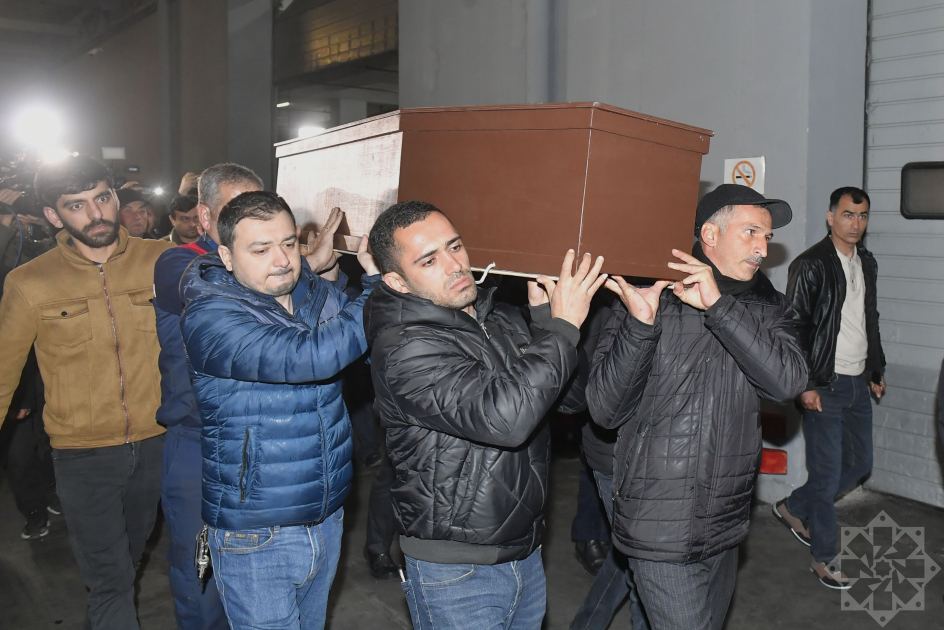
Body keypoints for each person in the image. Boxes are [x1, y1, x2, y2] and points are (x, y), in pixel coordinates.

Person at [365, 200, 606, 629]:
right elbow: (506, 420)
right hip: (456, 571)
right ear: (398, 282)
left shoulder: (498, 318)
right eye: (429, 260)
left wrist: (543, 321)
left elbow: (571, 401)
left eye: (455, 246)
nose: (454, 265)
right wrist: (562, 328)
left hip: (524, 552)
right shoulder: (404, 347)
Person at [587, 184, 808, 630]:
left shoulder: (770, 307)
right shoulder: (652, 293)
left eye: (766, 237)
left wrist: (719, 307)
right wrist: (639, 326)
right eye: (751, 232)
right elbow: (605, 410)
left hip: (725, 521)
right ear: (710, 234)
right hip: (658, 520)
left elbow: (787, 383)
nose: (763, 248)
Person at [180, 191, 380, 630]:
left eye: (289, 243)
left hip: (326, 517)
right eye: (261, 249)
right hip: (257, 531)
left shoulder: (311, 293)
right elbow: (312, 356)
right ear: (227, 257)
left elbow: (366, 351)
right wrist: (378, 290)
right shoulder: (211, 316)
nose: (282, 259)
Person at [0, 154, 172, 629]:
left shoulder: (162, 260)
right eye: (76, 205)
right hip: (82, 455)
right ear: (54, 216)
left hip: (158, 443)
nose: (96, 214)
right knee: (110, 582)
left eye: (102, 197)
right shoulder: (29, 282)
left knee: (128, 560)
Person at [152, 163, 263, 630]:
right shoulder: (179, 263)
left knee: (259, 568)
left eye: (258, 209)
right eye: (235, 211)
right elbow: (213, 289)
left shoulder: (265, 261)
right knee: (200, 569)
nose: (250, 222)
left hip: (257, 440)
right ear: (204, 216)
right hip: (197, 442)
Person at [773, 186, 886, 589]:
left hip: (858, 381)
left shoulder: (866, 262)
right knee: (826, 475)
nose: (855, 224)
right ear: (831, 217)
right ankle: (823, 559)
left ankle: (793, 506)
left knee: (859, 463)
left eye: (862, 216)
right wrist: (804, 384)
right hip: (824, 384)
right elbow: (793, 328)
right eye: (848, 215)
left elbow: (869, 317)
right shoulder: (811, 264)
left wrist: (876, 368)